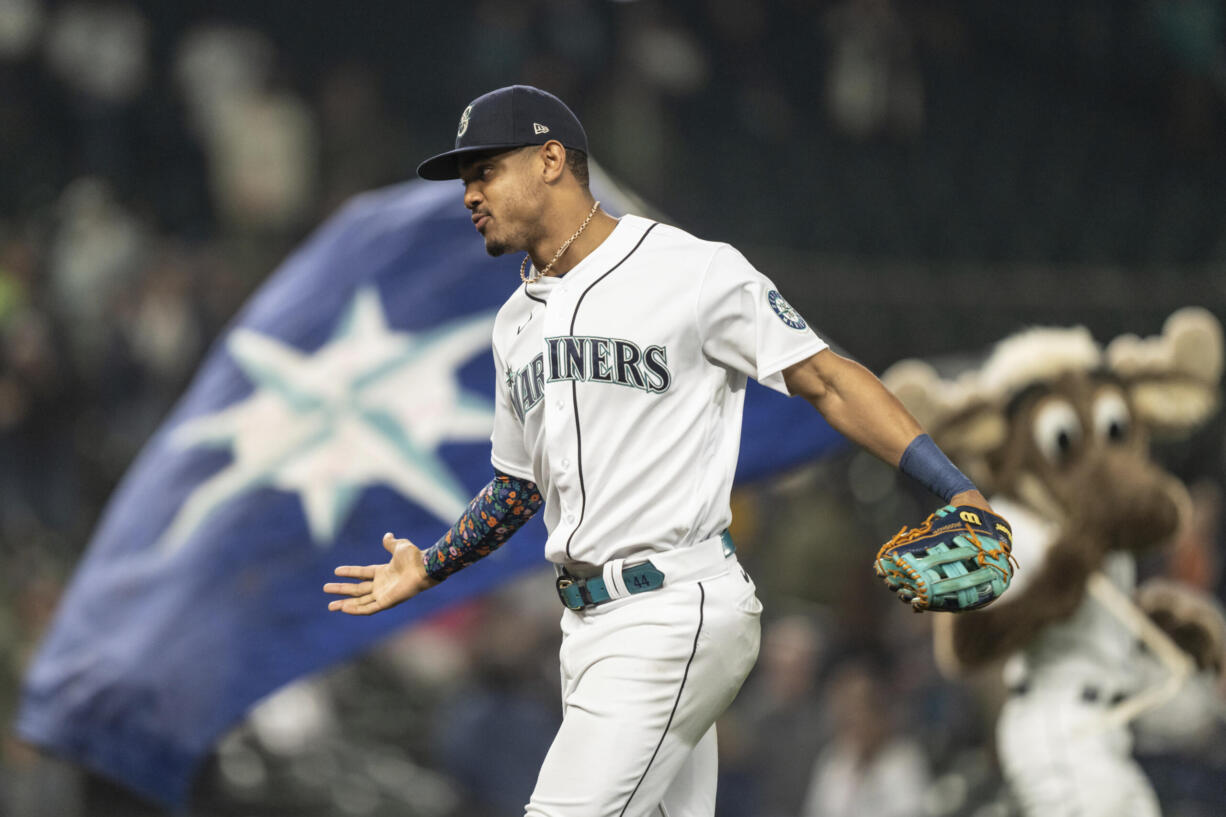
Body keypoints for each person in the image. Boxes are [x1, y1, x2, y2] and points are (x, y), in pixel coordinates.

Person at [323, 84, 997, 817]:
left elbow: (827, 378)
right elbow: (518, 486)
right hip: (586, 630)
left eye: (484, 170)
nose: (469, 194)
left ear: (551, 159)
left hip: (673, 610)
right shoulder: (514, 322)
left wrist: (952, 488)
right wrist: (433, 563)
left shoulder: (688, 270)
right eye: (466, 179)